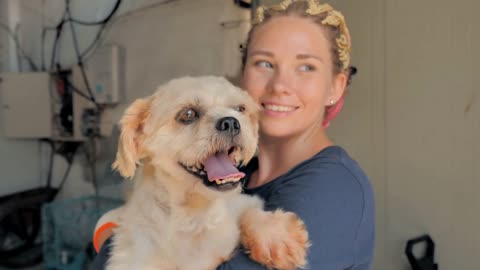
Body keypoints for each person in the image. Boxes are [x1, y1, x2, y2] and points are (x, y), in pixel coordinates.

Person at [91, 0, 375, 269]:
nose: (279, 85)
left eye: (306, 67)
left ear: (335, 87)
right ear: (243, 75)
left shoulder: (333, 190)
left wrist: (109, 233)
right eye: (264, 63)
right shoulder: (231, 169)